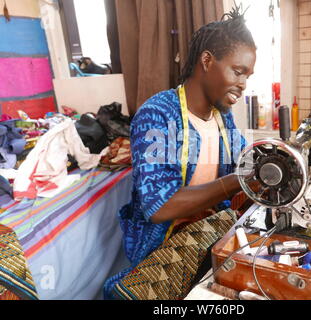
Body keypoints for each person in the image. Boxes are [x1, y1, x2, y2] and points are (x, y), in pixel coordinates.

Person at [103, 6, 256, 299]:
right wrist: (241, 179)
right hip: (162, 247)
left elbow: (243, 161)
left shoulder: (223, 116)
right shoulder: (157, 115)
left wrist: (267, 160)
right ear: (207, 61)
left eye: (247, 75)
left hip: (211, 232)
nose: (243, 84)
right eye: (238, 71)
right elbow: (160, 208)